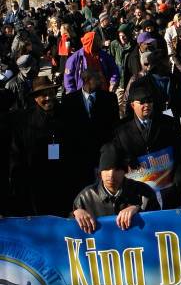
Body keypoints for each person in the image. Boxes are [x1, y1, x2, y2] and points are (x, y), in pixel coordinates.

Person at [113, 78, 181, 209]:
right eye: (141, 102)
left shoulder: (169, 124)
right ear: (132, 105)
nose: (146, 105)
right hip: (138, 192)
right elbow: (119, 157)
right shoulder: (121, 130)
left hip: (169, 187)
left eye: (149, 101)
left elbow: (180, 154)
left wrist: (179, 182)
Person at [9, 76, 75, 216]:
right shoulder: (24, 122)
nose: (48, 98)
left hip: (64, 182)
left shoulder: (68, 115)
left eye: (50, 93)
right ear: (35, 98)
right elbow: (17, 156)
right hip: (36, 185)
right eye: (43, 95)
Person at [72, 142, 160, 234]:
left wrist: (138, 211)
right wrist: (76, 213)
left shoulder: (143, 191)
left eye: (117, 169)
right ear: (100, 172)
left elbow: (159, 221)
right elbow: (68, 229)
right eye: (106, 169)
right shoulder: (85, 197)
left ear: (125, 171)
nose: (111, 175)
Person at [62, 69, 120, 192]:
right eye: (97, 79)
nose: (101, 81)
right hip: (80, 155)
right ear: (87, 81)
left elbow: (115, 126)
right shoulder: (69, 101)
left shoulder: (109, 98)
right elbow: (67, 130)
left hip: (103, 153)